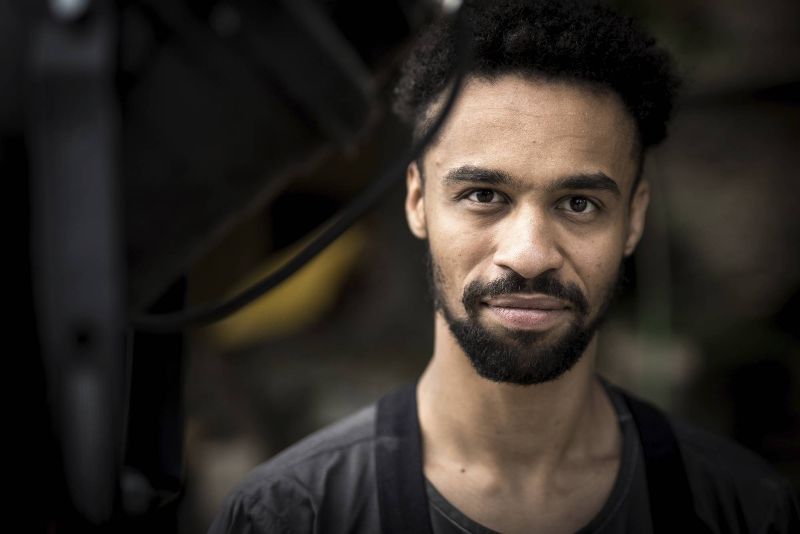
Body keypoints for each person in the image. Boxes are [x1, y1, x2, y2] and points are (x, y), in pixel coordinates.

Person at [209, 1, 800, 532]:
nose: (530, 255)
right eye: (484, 196)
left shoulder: (742, 509)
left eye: (579, 204)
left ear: (634, 218)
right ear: (417, 201)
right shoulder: (291, 513)